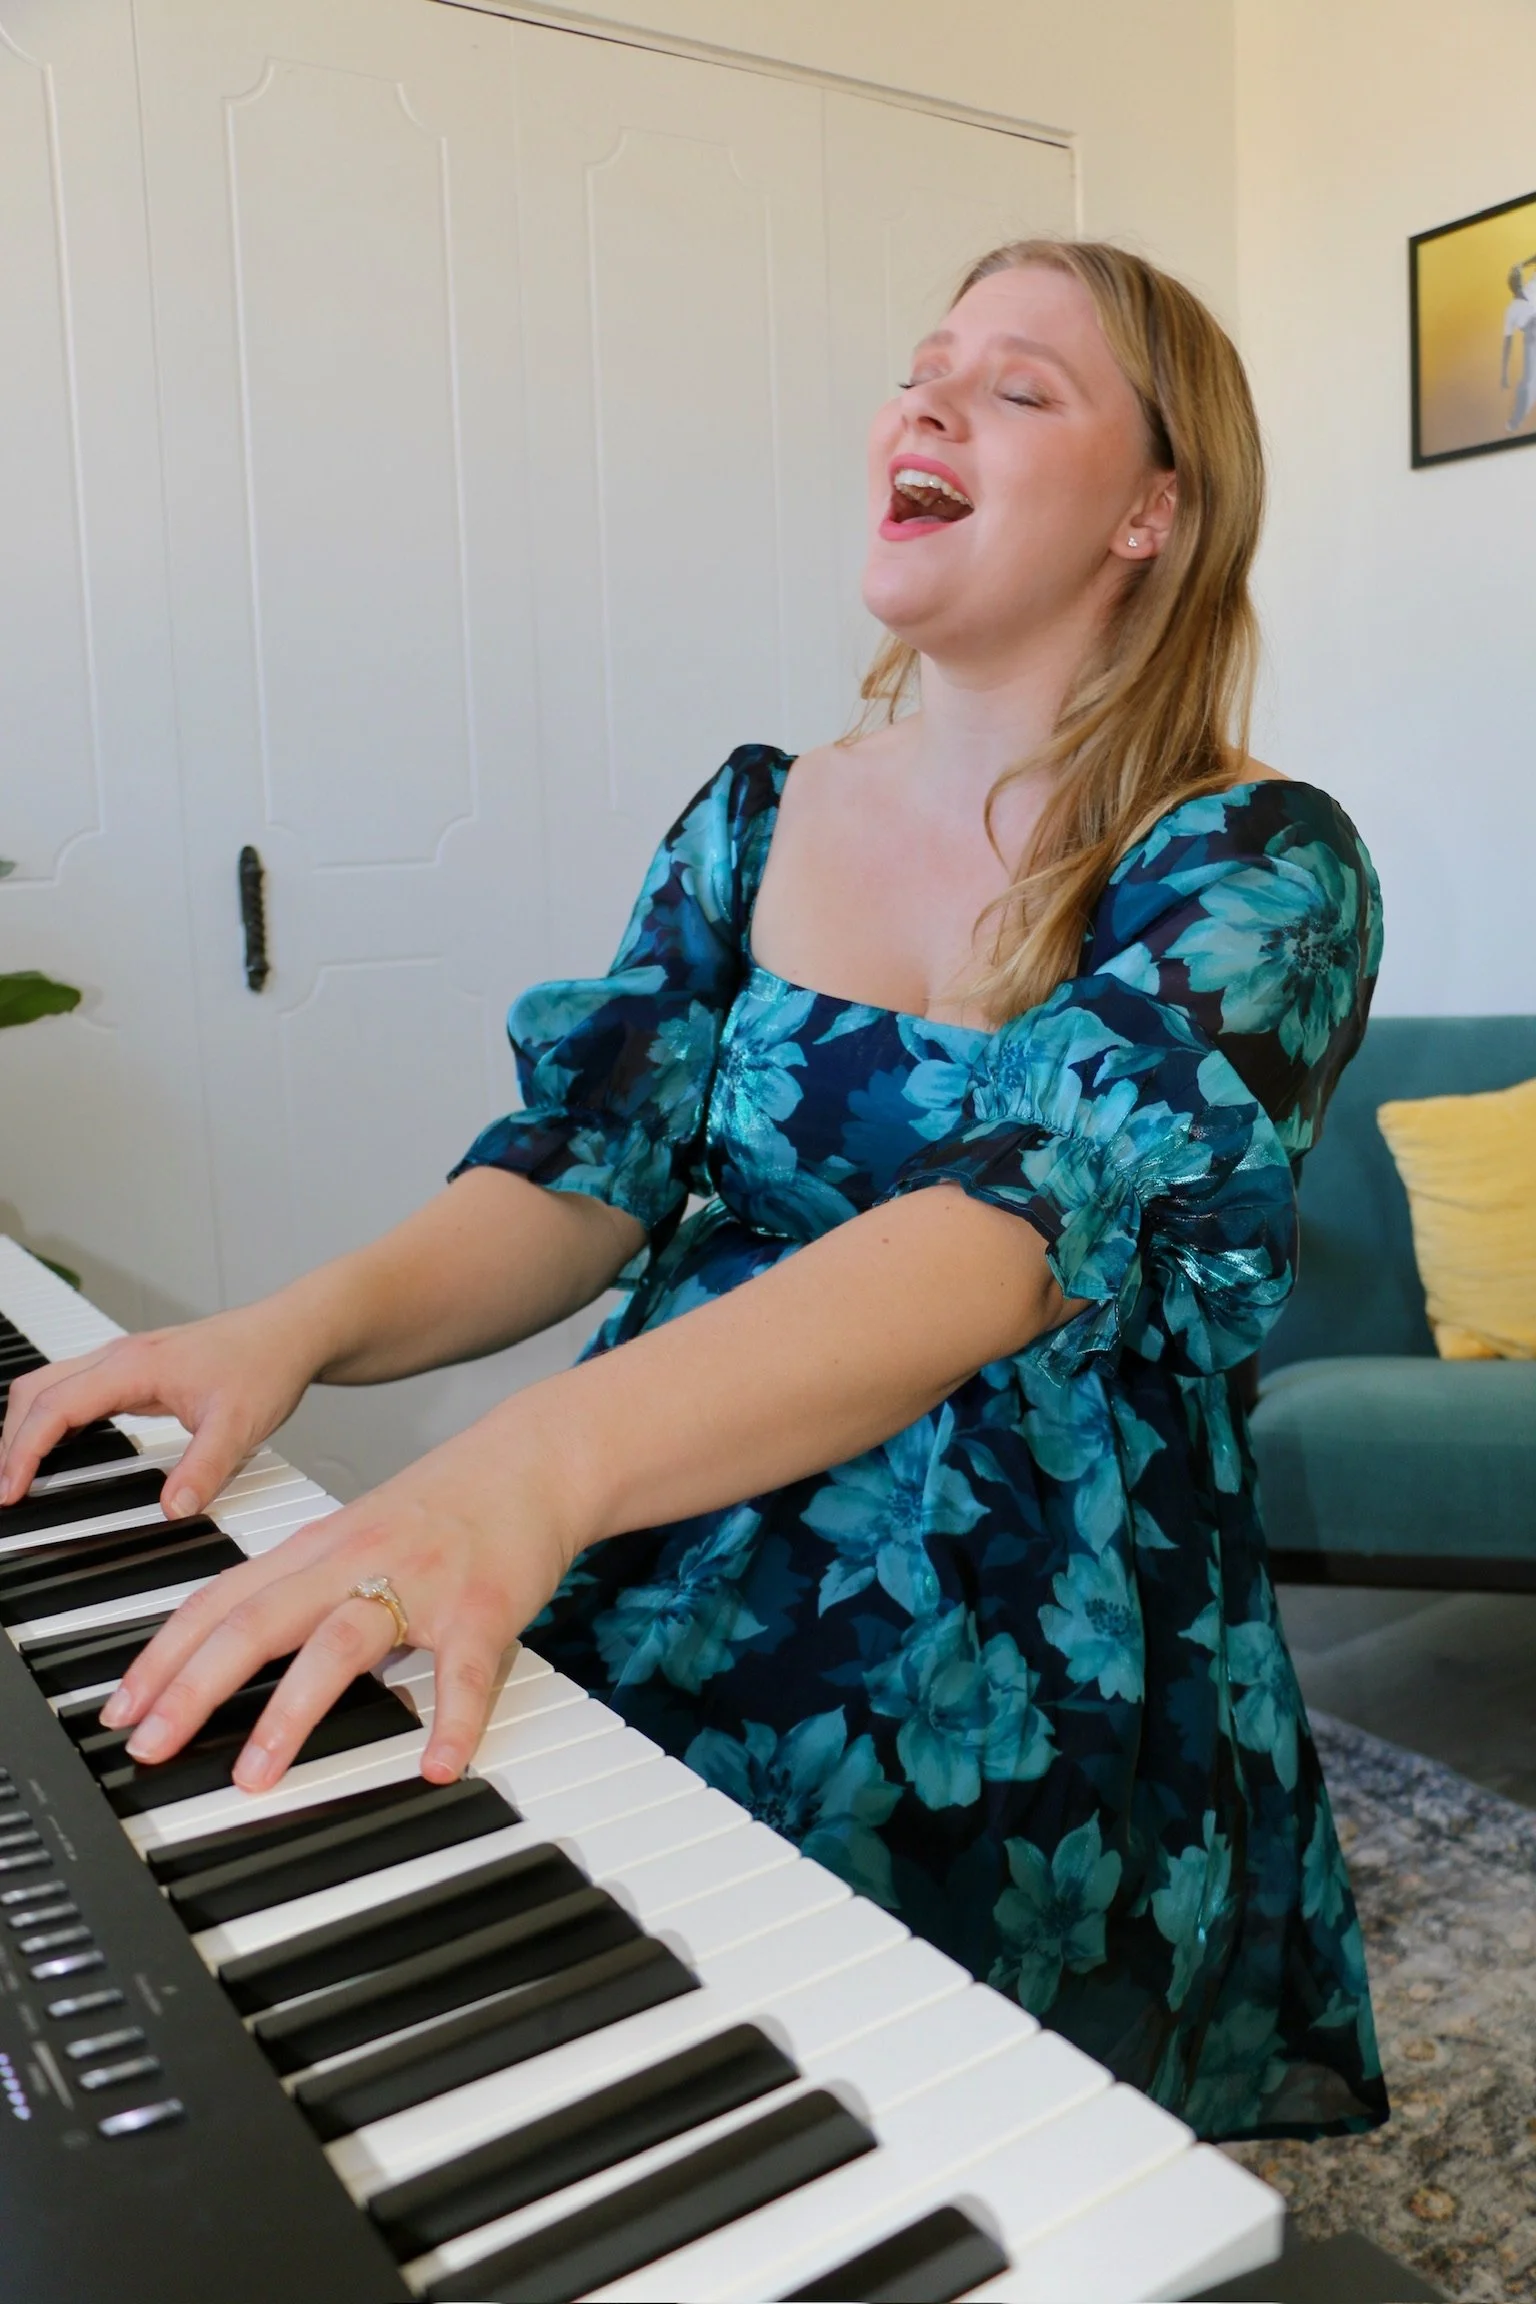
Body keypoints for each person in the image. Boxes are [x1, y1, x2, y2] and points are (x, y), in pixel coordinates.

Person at [0, 239, 1386, 2142]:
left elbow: (1005, 1232)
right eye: (923, 367)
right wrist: (287, 1327)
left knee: (951, 2146)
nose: (925, 402)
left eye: (1017, 385)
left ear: (1156, 507)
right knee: (589, 2081)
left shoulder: (1261, 862)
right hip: (673, 1544)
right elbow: (584, 1171)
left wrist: (519, 1464)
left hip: (1037, 1650)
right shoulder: (753, 813)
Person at [1502, 257, 1536, 433]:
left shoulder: (1532, 287)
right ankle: (1516, 420)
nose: (1519, 280)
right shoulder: (1511, 310)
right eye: (1515, 278)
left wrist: (1523, 263)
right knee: (1529, 383)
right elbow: (1507, 342)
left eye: (1519, 277)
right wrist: (1504, 373)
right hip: (1532, 340)